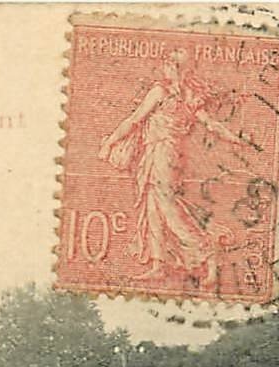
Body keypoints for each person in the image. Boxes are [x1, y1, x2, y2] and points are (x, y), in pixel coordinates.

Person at [98, 49, 259, 287]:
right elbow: (212, 126)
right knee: (153, 207)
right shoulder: (190, 97)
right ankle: (158, 264)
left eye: (167, 63)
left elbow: (134, 120)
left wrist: (110, 142)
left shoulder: (160, 92)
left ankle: (207, 251)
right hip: (167, 158)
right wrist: (238, 141)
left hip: (161, 156)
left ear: (173, 67)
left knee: (167, 209)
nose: (164, 67)